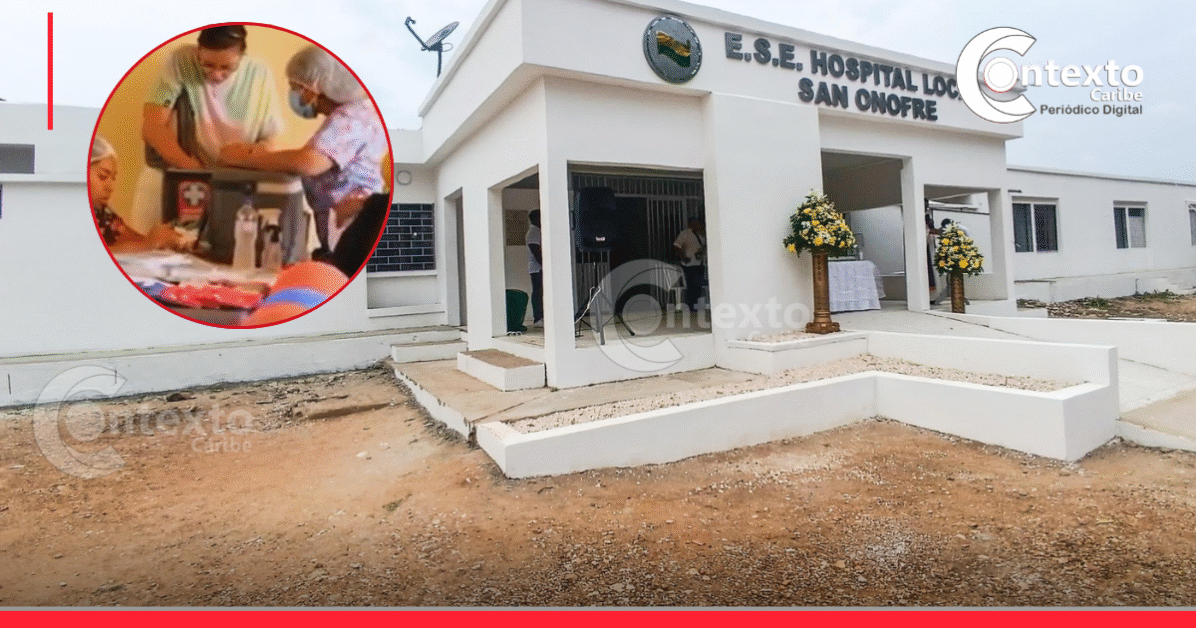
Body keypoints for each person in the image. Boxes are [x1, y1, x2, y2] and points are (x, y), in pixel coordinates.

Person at [220, 45, 387, 259]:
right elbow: (311, 156)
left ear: (314, 87)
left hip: (351, 224)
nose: (296, 97)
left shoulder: (352, 117)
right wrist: (265, 155)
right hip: (345, 225)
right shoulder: (358, 112)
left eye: (296, 88)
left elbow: (308, 162)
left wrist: (243, 158)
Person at [131, 25, 284, 233]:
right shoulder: (181, 61)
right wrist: (192, 169)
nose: (216, 74)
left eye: (227, 68)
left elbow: (270, 142)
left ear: (242, 55)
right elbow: (152, 126)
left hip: (233, 183)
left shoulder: (259, 74)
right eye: (208, 65)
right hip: (177, 173)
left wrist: (244, 159)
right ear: (198, 50)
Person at [89, 136, 182, 253]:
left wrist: (163, 238)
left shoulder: (102, 213)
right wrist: (148, 244)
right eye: (102, 176)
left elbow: (135, 240)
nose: (110, 187)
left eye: (113, 178)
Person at [673, 218, 706, 312]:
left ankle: (695, 304)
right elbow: (676, 245)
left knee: (698, 284)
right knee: (691, 285)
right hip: (689, 263)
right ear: (691, 224)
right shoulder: (685, 233)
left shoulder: (701, 234)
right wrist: (683, 257)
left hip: (699, 262)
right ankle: (691, 306)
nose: (698, 225)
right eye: (696, 223)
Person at [526, 210, 543, 326]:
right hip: (538, 268)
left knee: (540, 292)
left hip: (538, 268)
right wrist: (544, 265)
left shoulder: (537, 231)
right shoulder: (534, 232)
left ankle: (541, 316)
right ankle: (538, 318)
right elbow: (535, 250)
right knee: (538, 292)